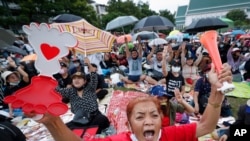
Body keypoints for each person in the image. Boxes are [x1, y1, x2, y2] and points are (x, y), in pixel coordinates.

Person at [26, 61, 233, 141]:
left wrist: (217, 92)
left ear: (162, 120)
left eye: (154, 115)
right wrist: (53, 122)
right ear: (130, 124)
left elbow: (206, 126)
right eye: (140, 116)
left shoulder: (173, 134)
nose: (149, 121)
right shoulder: (119, 140)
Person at [55, 57, 110, 134]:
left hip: (94, 117)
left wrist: (89, 64)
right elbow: (56, 89)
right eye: (74, 79)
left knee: (102, 119)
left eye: (79, 78)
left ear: (84, 81)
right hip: (79, 120)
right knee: (65, 129)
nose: (76, 80)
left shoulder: (90, 88)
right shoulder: (70, 91)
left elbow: (93, 75)